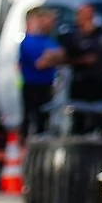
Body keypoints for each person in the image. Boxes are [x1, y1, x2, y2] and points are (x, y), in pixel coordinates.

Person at [57, 1, 102, 103]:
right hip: (79, 80)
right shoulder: (70, 35)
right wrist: (82, 60)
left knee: (101, 110)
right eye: (84, 15)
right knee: (80, 110)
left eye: (89, 15)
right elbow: (62, 58)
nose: (87, 18)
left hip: (100, 80)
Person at [16, 7, 64, 136]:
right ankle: (25, 143)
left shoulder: (45, 39)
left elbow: (61, 54)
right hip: (32, 84)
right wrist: (52, 57)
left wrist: (50, 57)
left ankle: (40, 139)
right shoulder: (28, 42)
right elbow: (40, 64)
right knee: (31, 116)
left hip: (46, 83)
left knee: (44, 117)